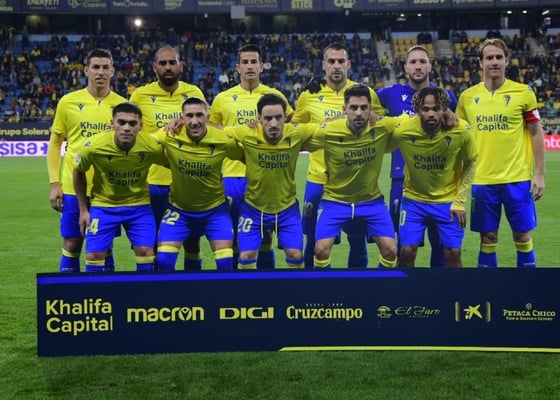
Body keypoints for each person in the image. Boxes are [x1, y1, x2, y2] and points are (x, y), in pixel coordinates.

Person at [293, 41, 385, 269]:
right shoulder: (308, 95)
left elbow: (379, 124)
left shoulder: (365, 94)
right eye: (331, 61)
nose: (336, 66)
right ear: (323, 65)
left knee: (357, 241)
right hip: (318, 180)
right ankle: (312, 284)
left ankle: (355, 285)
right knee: (313, 241)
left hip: (355, 183)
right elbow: (297, 130)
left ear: (348, 64)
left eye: (341, 61)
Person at [456, 38, 545, 268]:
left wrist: (539, 174)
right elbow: (460, 138)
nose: (494, 62)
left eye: (498, 57)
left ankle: (527, 287)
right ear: (480, 63)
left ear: (507, 60)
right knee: (487, 238)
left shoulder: (523, 93)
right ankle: (489, 287)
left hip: (518, 179)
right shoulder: (467, 97)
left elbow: (536, 132)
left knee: (523, 236)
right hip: (482, 180)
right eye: (489, 58)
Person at [209, 44, 293, 269]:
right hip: (232, 176)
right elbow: (213, 130)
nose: (249, 66)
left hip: (266, 175)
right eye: (244, 62)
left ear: (261, 66)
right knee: (236, 237)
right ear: (237, 67)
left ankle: (265, 281)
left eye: (253, 61)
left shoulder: (275, 96)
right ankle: (237, 282)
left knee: (265, 236)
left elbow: (291, 124)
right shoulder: (223, 98)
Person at [376, 45, 458, 268]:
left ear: (430, 66)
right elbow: (359, 102)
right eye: (413, 62)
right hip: (402, 182)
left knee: (440, 245)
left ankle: (436, 287)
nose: (418, 66)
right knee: (404, 247)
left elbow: (458, 131)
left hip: (439, 184)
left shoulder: (447, 97)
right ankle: (404, 287)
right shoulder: (390, 94)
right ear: (405, 67)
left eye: (423, 61)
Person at [47, 48, 127, 272]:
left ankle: (105, 292)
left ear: (112, 71)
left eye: (105, 67)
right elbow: (55, 143)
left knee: (104, 246)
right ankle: (68, 292)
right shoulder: (68, 102)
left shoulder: (121, 105)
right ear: (86, 71)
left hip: (107, 189)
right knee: (72, 243)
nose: (100, 72)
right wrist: (54, 183)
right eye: (96, 67)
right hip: (72, 187)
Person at [129, 45, 206, 270]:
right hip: (152, 182)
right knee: (152, 244)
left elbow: (204, 132)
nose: (168, 67)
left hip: (187, 181)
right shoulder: (140, 95)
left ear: (181, 65)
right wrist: (165, 131)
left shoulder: (194, 93)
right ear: (154, 67)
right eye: (162, 63)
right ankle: (157, 289)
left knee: (192, 242)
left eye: (172, 62)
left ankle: (193, 287)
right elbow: (134, 136)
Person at [310, 84, 400, 269]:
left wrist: (447, 113)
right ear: (344, 109)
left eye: (363, 107)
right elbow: (296, 133)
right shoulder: (328, 130)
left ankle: (379, 285)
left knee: (391, 251)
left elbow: (412, 120)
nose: (359, 113)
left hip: (371, 201)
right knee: (320, 250)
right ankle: (326, 285)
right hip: (335, 201)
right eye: (353, 108)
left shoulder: (381, 126)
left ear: (371, 109)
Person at [229, 93, 319, 269]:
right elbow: (216, 132)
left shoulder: (297, 132)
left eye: (278, 117)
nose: (274, 123)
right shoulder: (246, 132)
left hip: (287, 209)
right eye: (268, 118)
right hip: (253, 209)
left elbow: (326, 127)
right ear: (258, 119)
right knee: (246, 257)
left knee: (296, 255)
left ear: (285, 117)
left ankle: (295, 288)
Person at [72, 102, 166, 272]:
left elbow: (173, 164)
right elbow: (78, 171)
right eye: (121, 122)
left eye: (132, 123)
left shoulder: (152, 146)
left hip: (139, 206)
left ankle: (144, 289)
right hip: (103, 206)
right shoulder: (93, 147)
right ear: (112, 124)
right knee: (93, 256)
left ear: (140, 126)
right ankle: (96, 290)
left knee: (146, 252)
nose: (126, 128)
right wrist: (83, 210)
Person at [390, 87, 477, 267]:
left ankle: (453, 287)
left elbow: (470, 163)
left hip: (448, 202)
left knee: (453, 253)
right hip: (414, 201)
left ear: (444, 109)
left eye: (436, 108)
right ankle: (405, 286)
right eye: (425, 109)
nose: (431, 114)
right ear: (417, 110)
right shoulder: (403, 129)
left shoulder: (461, 130)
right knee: (407, 251)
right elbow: (378, 126)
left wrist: (460, 201)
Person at [155, 97, 244, 271]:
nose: (194, 121)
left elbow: (247, 157)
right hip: (179, 210)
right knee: (164, 260)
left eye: (199, 115)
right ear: (181, 118)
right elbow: (143, 145)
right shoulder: (169, 134)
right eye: (189, 116)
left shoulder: (223, 139)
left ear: (208, 117)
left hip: (215, 210)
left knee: (225, 262)